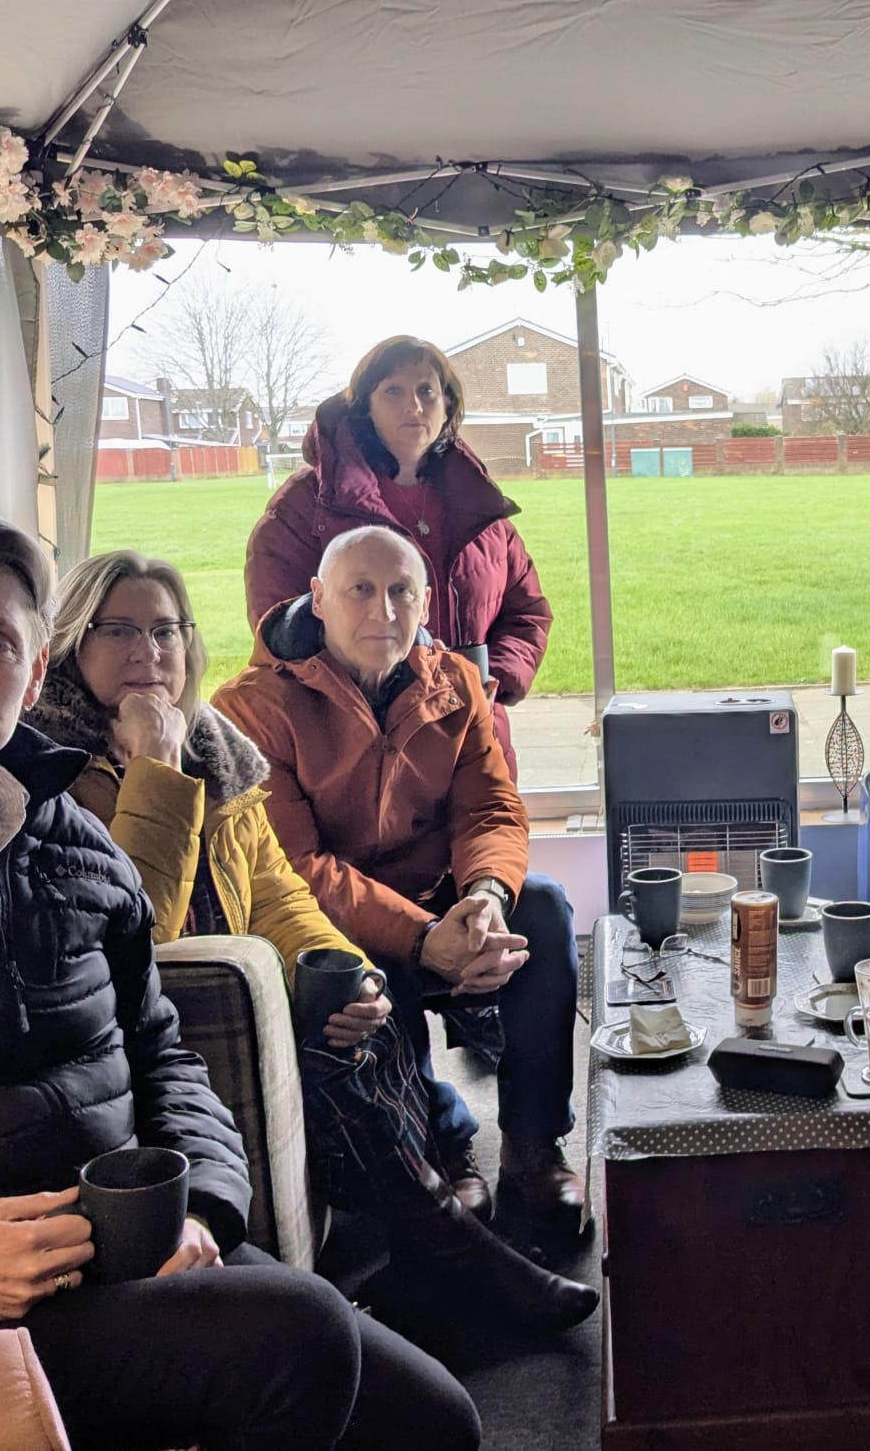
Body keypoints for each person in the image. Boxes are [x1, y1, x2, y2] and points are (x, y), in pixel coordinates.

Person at [0, 508, 477, 1451]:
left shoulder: (75, 844)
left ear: (33, 668)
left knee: (434, 1421)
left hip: (114, 1257)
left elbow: (163, 1050)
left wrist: (204, 1202)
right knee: (299, 1337)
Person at [29, 550, 597, 1336]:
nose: (147, 652)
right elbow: (136, 932)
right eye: (118, 630)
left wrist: (454, 914)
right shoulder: (52, 765)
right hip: (172, 1010)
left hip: (379, 917)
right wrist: (155, 766)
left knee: (460, 952)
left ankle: (518, 1167)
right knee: (354, 1025)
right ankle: (456, 1241)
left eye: (165, 630)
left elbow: (276, 890)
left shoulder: (217, 744)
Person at [216, 524, 584, 1226]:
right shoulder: (252, 707)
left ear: (425, 604)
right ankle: (441, 1148)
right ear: (318, 598)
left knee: (542, 908)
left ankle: (534, 1145)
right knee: (368, 966)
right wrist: (422, 938)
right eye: (360, 590)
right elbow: (296, 868)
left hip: (441, 890)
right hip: (333, 912)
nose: (383, 611)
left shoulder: (457, 682)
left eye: (401, 592)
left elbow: (490, 808)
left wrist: (485, 897)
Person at [244, 334, 550, 780]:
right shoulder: (308, 504)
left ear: (447, 404)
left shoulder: (476, 501)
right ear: (364, 406)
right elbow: (281, 625)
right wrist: (381, 697)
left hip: (475, 738)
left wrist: (490, 682)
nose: (414, 405)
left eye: (427, 390)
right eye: (393, 391)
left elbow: (527, 613)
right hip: (360, 750)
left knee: (489, 825)